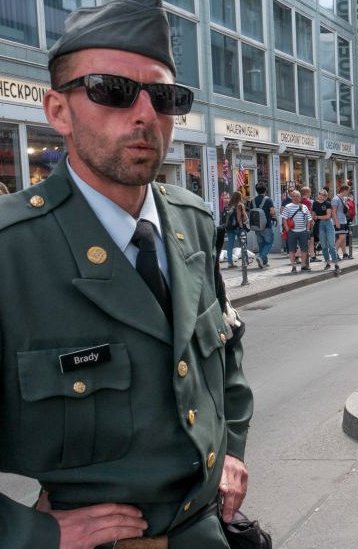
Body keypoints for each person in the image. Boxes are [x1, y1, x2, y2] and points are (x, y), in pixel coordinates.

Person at [0, 1, 253, 546]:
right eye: (111, 90)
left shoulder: (192, 221)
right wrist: (29, 533)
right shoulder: (12, 251)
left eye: (162, 97)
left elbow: (225, 351)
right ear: (58, 111)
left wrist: (231, 447)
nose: (143, 114)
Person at [280, 189, 312, 272]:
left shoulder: (304, 207)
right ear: (291, 197)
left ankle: (303, 265)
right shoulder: (288, 206)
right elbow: (284, 218)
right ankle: (293, 266)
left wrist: (307, 229)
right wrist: (287, 228)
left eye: (297, 196)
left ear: (300, 197)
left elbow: (309, 218)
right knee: (291, 249)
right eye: (293, 196)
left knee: (304, 249)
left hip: (303, 231)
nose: (295, 198)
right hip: (292, 231)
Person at [248, 182, 276, 268]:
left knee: (261, 244)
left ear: (256, 190)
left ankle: (264, 262)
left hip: (256, 226)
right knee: (269, 242)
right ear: (265, 190)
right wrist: (274, 215)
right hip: (266, 225)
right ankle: (261, 256)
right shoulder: (268, 200)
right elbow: (272, 212)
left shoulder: (252, 200)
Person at [313, 188, 340, 272]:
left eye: (324, 195)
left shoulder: (328, 203)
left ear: (326, 196)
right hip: (320, 225)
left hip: (328, 224)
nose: (321, 196)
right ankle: (328, 263)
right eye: (320, 194)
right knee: (324, 246)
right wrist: (316, 217)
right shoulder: (315, 204)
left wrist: (318, 217)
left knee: (331, 245)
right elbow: (313, 215)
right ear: (318, 195)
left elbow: (328, 216)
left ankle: (336, 264)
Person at [221, 190, 248, 268]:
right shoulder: (240, 205)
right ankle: (245, 261)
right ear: (240, 197)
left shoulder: (228, 205)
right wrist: (241, 226)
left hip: (229, 227)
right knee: (243, 243)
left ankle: (230, 262)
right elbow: (240, 217)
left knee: (230, 245)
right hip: (238, 227)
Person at [332, 184, 351, 259]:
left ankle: (345, 254)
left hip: (343, 220)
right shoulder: (335, 199)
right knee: (341, 237)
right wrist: (336, 222)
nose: (348, 193)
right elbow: (334, 211)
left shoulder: (343, 198)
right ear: (344, 190)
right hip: (339, 220)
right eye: (348, 191)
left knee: (343, 238)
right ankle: (334, 253)